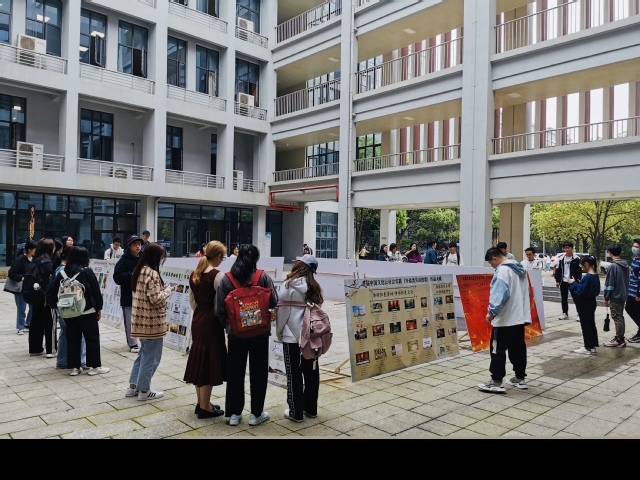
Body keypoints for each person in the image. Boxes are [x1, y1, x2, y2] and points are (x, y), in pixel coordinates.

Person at [214, 244, 278, 427]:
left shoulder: (227, 279)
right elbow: (274, 301)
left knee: (235, 373)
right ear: (256, 259)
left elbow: (219, 310)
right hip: (260, 333)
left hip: (236, 334)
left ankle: (234, 414)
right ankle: (256, 414)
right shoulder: (263, 277)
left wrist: (230, 325)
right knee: (259, 372)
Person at [46, 246, 109, 376]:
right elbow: (96, 292)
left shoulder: (63, 273)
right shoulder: (87, 272)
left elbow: (50, 291)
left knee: (73, 339)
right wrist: (98, 308)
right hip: (87, 311)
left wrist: (58, 305)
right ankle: (95, 367)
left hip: (69, 311)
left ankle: (74, 367)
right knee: (92, 338)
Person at [276, 254, 323, 423]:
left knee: (293, 373)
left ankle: (295, 412)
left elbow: (282, 312)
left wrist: (279, 332)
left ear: (298, 266)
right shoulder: (314, 287)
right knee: (311, 371)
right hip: (311, 336)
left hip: (291, 337)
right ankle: (311, 408)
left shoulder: (288, 285)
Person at [183, 240, 227, 419]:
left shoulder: (195, 273)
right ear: (218, 256)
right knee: (208, 363)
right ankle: (205, 407)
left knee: (199, 361)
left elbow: (192, 301)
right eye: (223, 257)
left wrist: (200, 312)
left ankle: (202, 402)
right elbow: (221, 303)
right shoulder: (218, 276)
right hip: (211, 322)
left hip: (198, 319)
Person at [126, 242, 176, 401]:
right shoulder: (152, 273)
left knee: (143, 354)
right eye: (161, 257)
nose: (162, 260)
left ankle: (133, 386)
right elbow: (155, 298)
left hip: (140, 321)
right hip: (152, 323)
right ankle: (144, 390)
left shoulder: (139, 270)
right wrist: (168, 290)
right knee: (151, 357)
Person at [477, 247, 530, 393]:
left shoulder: (502, 270)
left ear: (495, 258)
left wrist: (491, 312)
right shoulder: (520, 270)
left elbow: (499, 293)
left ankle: (496, 381)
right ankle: (520, 378)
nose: (492, 266)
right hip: (519, 317)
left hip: (505, 318)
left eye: (491, 263)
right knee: (518, 348)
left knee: (497, 349)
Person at [52, 246, 87, 370]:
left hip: (62, 306)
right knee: (78, 333)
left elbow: (52, 289)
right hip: (74, 306)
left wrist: (54, 304)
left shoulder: (60, 270)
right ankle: (80, 361)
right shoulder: (72, 270)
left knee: (65, 332)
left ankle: (62, 360)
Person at [113, 234, 143, 353]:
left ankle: (143, 341)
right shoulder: (124, 260)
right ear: (129, 246)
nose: (138, 246)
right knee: (130, 319)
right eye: (135, 244)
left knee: (142, 319)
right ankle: (133, 344)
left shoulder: (143, 258)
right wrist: (132, 275)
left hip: (142, 295)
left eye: (139, 244)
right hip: (128, 295)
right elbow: (117, 277)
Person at [28, 238, 56, 357]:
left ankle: (35, 348)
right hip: (46, 297)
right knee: (49, 322)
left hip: (35, 295)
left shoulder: (34, 261)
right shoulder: (47, 263)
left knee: (36, 321)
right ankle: (50, 350)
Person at [568, 255, 600, 355]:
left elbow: (580, 290)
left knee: (585, 325)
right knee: (591, 324)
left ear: (586, 264)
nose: (581, 268)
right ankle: (593, 345)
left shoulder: (588, 277)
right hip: (592, 301)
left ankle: (588, 347)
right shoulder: (595, 275)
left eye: (582, 266)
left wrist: (573, 283)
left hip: (584, 302)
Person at [602, 244, 629, 348]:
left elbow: (610, 283)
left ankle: (619, 339)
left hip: (615, 296)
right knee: (620, 316)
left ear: (610, 253)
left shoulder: (613, 266)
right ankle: (620, 338)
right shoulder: (625, 264)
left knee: (617, 317)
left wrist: (606, 297)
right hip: (623, 294)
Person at [8, 240, 36, 335]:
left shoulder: (35, 259)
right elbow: (11, 273)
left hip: (31, 287)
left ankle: (28, 323)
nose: (36, 251)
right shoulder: (19, 260)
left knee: (33, 306)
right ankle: (20, 326)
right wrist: (22, 277)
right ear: (29, 250)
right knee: (21, 308)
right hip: (21, 287)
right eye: (35, 249)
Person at [553, 241, 582, 321]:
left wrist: (577, 280)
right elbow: (558, 270)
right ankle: (565, 313)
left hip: (573, 281)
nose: (567, 249)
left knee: (576, 298)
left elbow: (579, 270)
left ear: (572, 248)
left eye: (568, 247)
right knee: (564, 298)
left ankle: (580, 314)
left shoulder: (576, 258)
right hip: (564, 281)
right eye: (565, 248)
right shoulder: (561, 259)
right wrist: (557, 280)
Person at [624, 238, 640, 343]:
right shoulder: (635, 258)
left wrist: (639, 294)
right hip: (631, 290)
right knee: (629, 308)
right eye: (633, 246)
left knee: (637, 312)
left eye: (637, 247)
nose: (634, 248)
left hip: (637, 293)